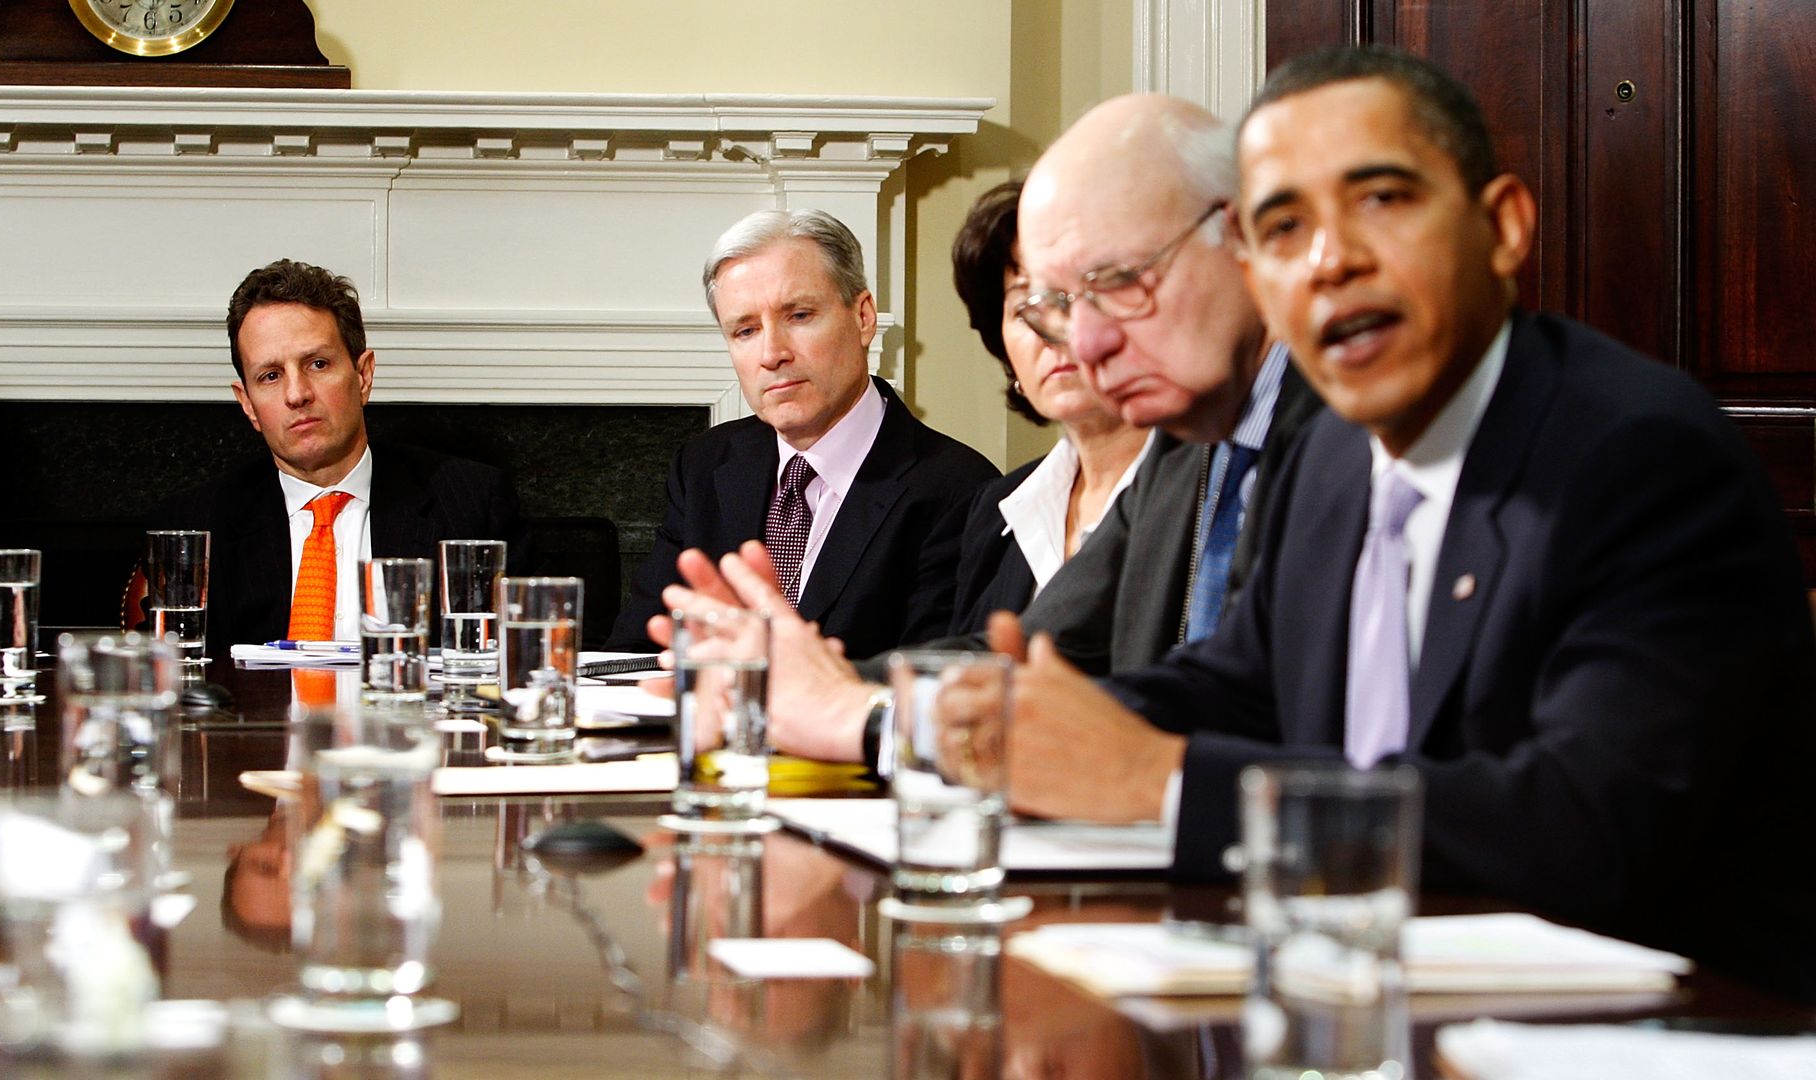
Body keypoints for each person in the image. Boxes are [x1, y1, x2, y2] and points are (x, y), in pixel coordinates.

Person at [998, 45, 1816, 994]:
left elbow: (1585, 827)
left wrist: (1163, 782)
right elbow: (1240, 687)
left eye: (1381, 199)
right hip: (1368, 1003)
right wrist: (1021, 724)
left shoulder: (1641, 456)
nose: (1331, 258)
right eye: (1284, 226)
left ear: (1503, 226)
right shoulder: (1333, 459)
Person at [650, 96, 1322, 768]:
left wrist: (865, 715)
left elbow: (1249, 719)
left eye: (1118, 281)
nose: (1080, 340)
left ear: (1242, 239)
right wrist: (812, 684)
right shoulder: (1189, 447)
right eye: (1042, 306)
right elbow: (1046, 648)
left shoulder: (1344, 434)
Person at [602, 209, 999, 659]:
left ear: (864, 317)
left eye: (800, 315)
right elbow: (636, 652)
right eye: (746, 330)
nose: (772, 354)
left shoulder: (961, 491)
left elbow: (934, 688)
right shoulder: (705, 464)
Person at [151, 259, 521, 652]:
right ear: (247, 404)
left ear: (363, 376)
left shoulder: (471, 504)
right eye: (270, 376)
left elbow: (521, 663)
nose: (297, 394)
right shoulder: (198, 524)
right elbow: (174, 681)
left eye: (318, 364)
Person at [946, 178, 1151, 635]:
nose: (1056, 332)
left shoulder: (1205, 485)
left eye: (1082, 295)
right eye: (1026, 308)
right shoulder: (995, 508)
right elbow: (971, 673)